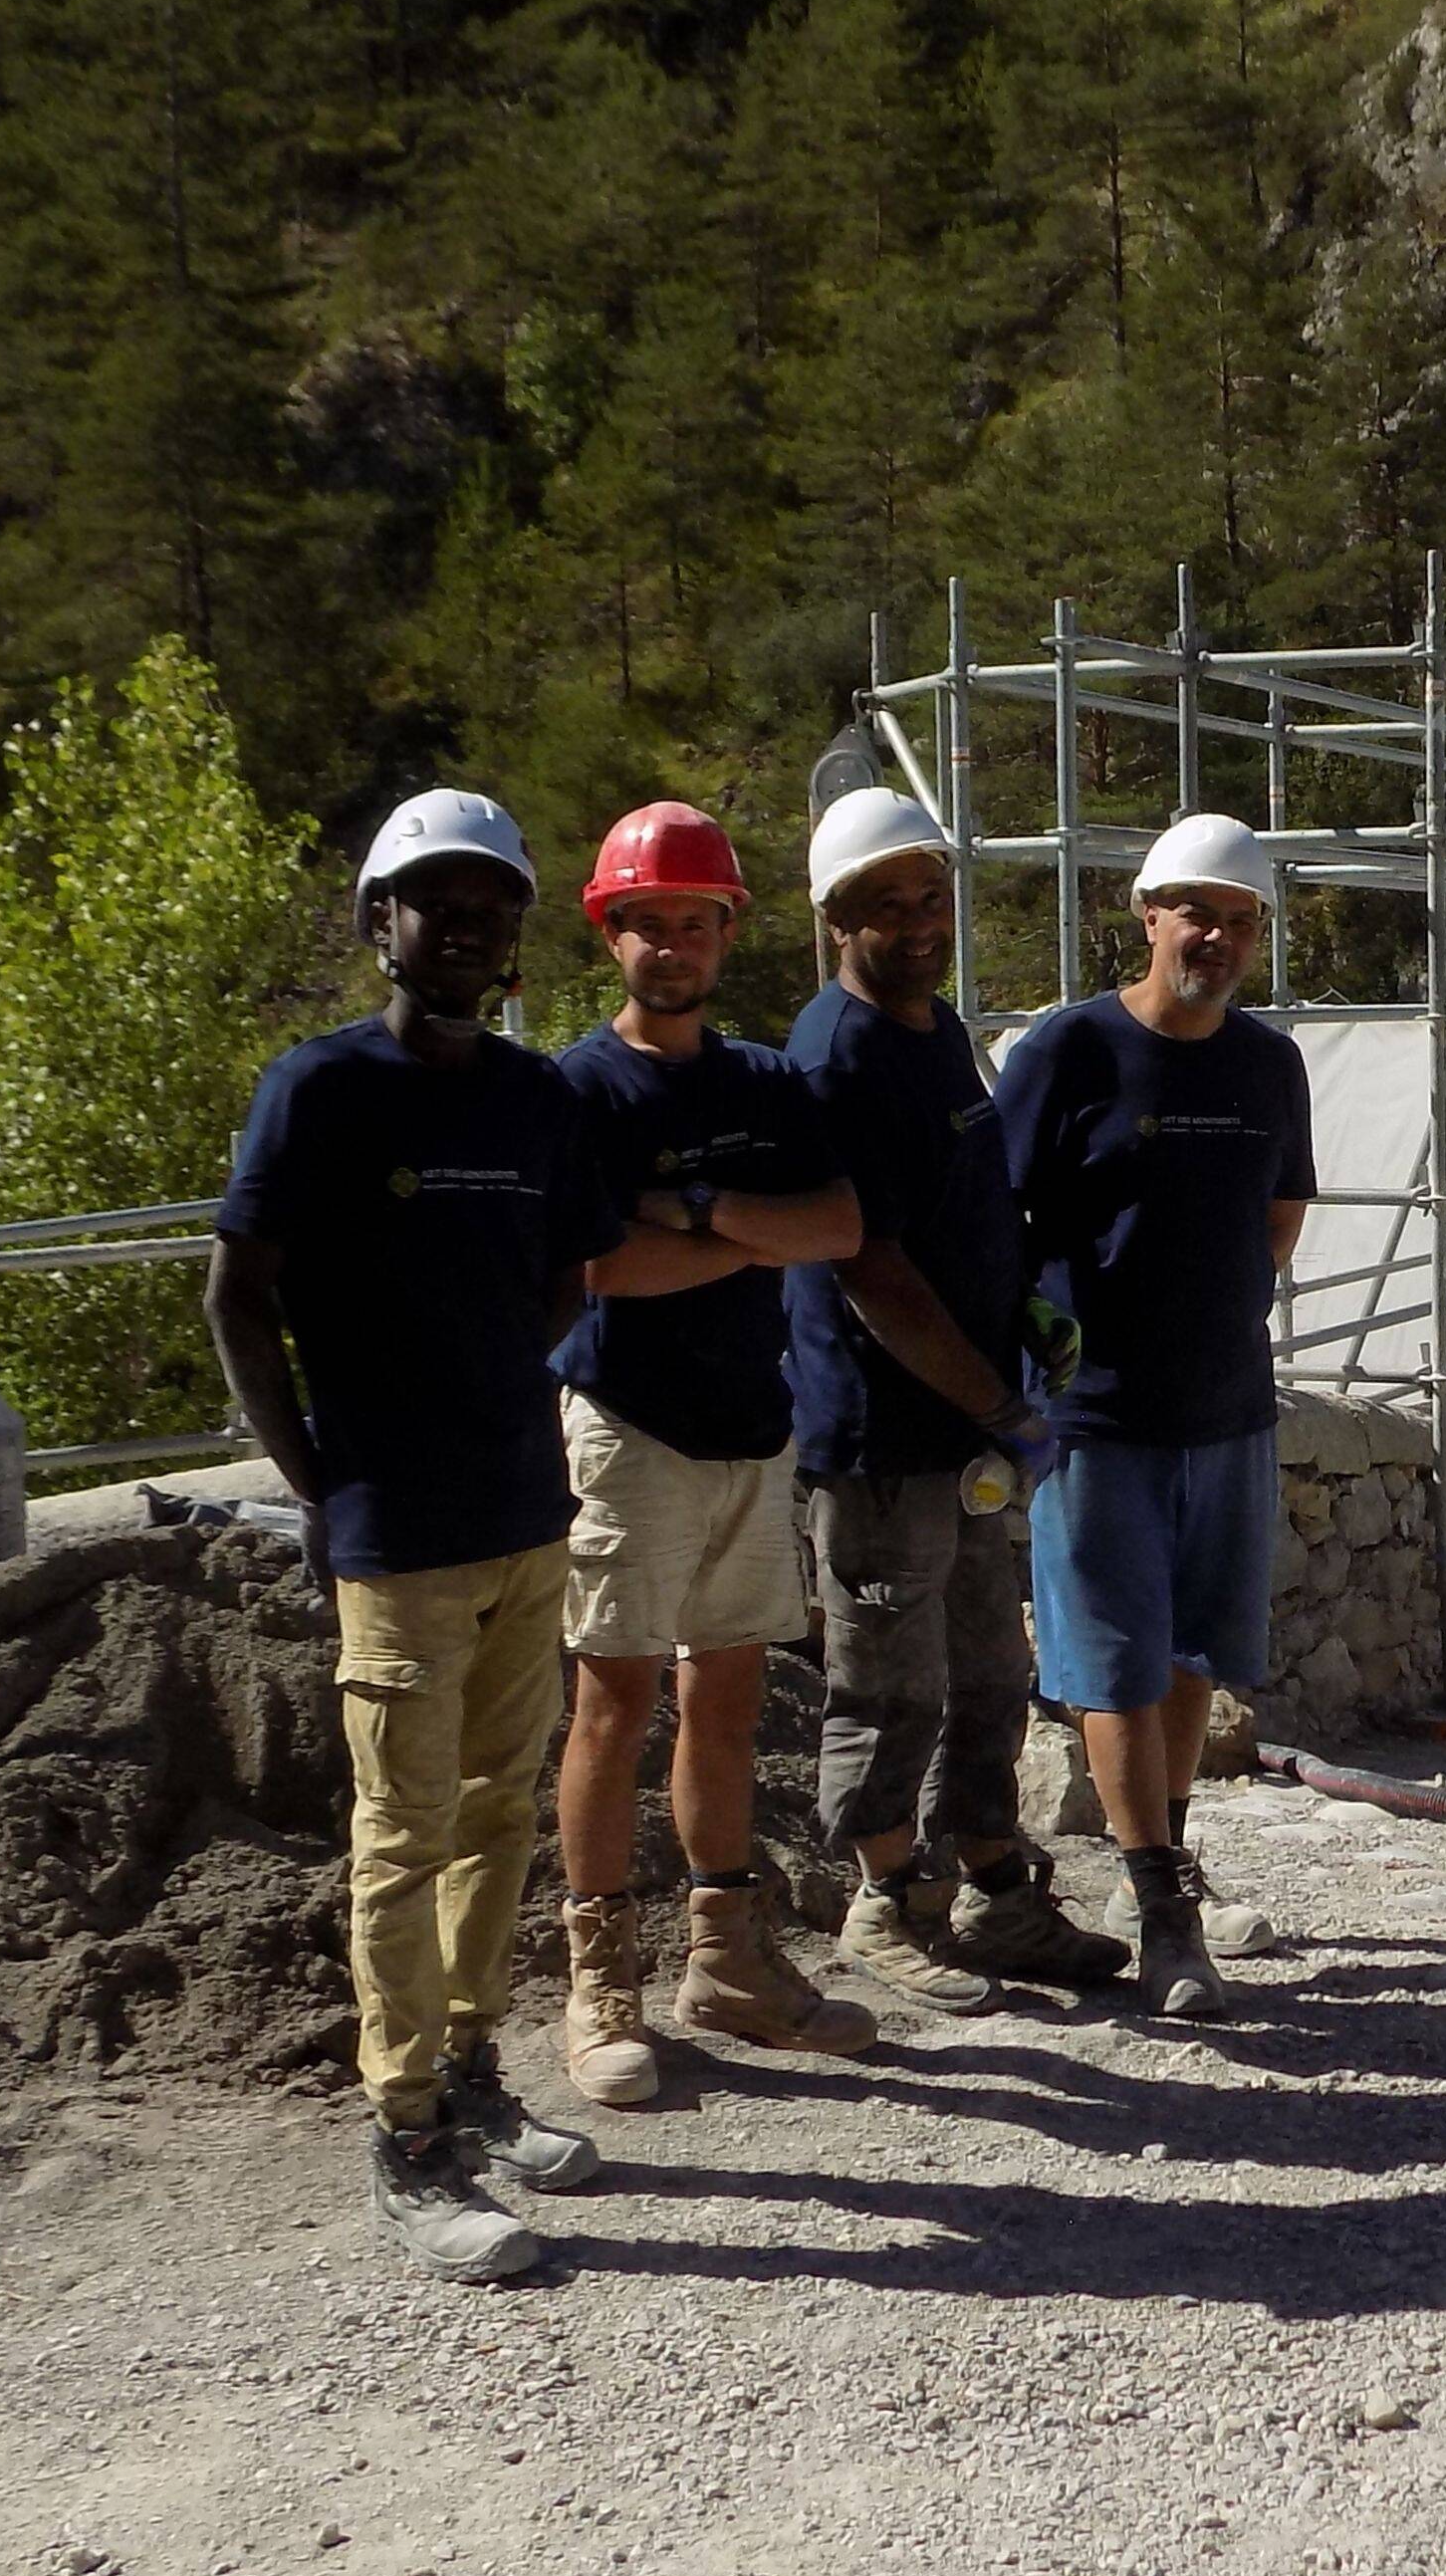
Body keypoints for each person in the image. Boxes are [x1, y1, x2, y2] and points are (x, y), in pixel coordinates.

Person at [204, 789, 611, 2284]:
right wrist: (317, 1481)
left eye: (490, 908)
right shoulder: (316, 1091)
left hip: (521, 1511)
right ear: (381, 919)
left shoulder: (534, 1099)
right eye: (434, 902)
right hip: (394, 1531)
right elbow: (237, 1295)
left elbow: (568, 1273)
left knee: (500, 1809)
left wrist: (505, 1380)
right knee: (401, 1834)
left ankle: (472, 2068)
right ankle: (403, 2132)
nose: (463, 928)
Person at [547, 802, 879, 2104]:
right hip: (628, 1425)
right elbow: (594, 1265)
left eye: (693, 922)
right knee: (613, 1703)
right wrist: (754, 1234)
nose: (670, 946)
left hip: (752, 1423)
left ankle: (726, 1959)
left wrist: (694, 1212)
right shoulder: (577, 1090)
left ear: (726, 932)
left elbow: (842, 1225)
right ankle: (599, 1985)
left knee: (728, 1698)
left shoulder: (762, 1084)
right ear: (608, 932)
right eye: (646, 923)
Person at [785, 788, 1129, 2011]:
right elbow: (873, 1273)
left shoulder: (932, 1029)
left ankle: (993, 1884)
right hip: (887, 1434)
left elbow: (962, 1213)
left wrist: (1022, 1316)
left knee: (987, 1665)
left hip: (973, 1421)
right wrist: (1002, 1399)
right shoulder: (837, 1052)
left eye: (930, 896)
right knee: (886, 1681)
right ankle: (885, 1900)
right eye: (888, 903)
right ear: (836, 917)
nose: (921, 920)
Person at [1001, 812, 1315, 2020]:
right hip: (1097, 1419)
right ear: (1147, 914)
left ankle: (1167, 1862)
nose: (1216, 937)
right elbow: (1005, 1222)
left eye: (1238, 920)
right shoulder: (1069, 1051)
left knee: (1191, 1652)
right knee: (1116, 1663)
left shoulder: (1265, 1062)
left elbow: (1278, 1218)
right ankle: (1159, 1909)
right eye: (1197, 913)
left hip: (1227, 1407)